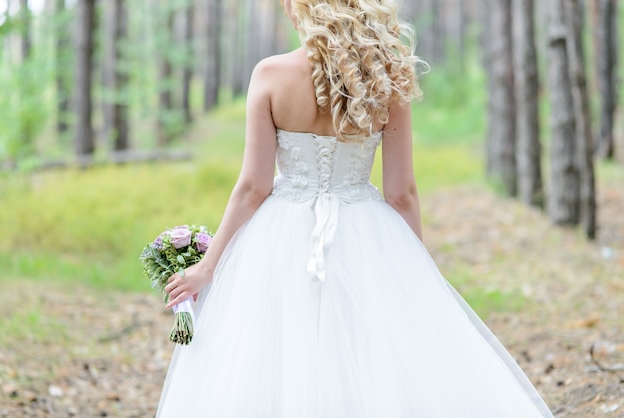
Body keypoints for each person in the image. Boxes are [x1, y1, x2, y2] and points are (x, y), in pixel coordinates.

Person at [158, 0, 553, 416]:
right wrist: (413, 271)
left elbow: (253, 188)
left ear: (302, 9)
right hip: (365, 231)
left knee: (278, 355)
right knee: (367, 354)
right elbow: (402, 193)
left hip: (280, 233)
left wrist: (208, 267)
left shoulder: (270, 75)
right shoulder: (388, 78)